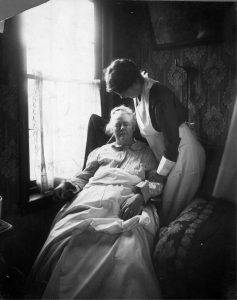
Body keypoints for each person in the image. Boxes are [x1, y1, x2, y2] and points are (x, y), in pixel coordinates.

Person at [26, 105, 162, 299]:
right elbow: (84, 176)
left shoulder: (147, 153)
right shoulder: (99, 152)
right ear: (111, 129)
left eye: (126, 124)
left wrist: (140, 196)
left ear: (133, 128)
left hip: (128, 199)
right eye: (117, 125)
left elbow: (157, 182)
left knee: (129, 253)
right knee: (64, 238)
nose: (121, 128)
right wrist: (69, 186)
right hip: (91, 195)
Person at [104, 58, 206, 225]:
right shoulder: (138, 93)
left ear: (135, 81)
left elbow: (173, 144)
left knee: (170, 212)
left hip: (183, 154)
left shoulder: (160, 97)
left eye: (122, 91)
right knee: (165, 209)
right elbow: (138, 123)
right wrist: (111, 145)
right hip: (168, 155)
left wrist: (157, 177)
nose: (121, 96)